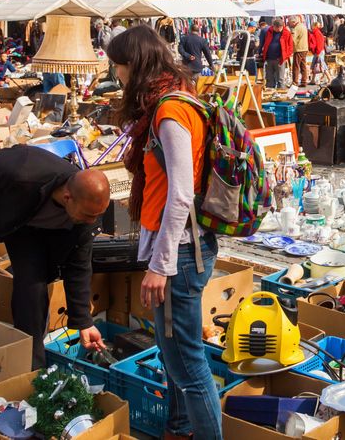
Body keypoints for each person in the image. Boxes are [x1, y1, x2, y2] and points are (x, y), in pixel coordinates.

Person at [107, 25, 223, 438]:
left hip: (182, 253)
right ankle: (178, 427)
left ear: (134, 64)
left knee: (188, 365)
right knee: (175, 355)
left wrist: (161, 264)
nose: (116, 74)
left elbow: (180, 195)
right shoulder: (171, 100)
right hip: (184, 248)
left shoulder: (170, 111)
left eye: (118, 65)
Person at [0, 146, 110, 369]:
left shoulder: (87, 215)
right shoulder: (23, 170)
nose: (92, 221)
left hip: (30, 231)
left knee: (33, 290)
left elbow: (79, 267)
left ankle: (31, 368)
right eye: (88, 215)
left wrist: (84, 322)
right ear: (67, 197)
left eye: (97, 215)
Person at [260, 18, 293, 89]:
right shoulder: (268, 31)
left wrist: (286, 56)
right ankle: (270, 92)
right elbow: (264, 42)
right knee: (269, 78)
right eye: (277, 27)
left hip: (280, 59)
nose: (279, 29)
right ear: (273, 26)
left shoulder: (286, 33)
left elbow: (290, 46)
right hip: (269, 58)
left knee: (280, 79)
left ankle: (281, 92)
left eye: (280, 27)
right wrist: (261, 53)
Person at [290, 17, 310, 86]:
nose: (289, 24)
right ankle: (304, 81)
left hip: (299, 49)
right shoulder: (303, 26)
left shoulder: (296, 28)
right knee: (303, 65)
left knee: (296, 66)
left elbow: (292, 39)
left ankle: (295, 82)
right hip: (304, 48)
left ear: (293, 22)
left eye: (290, 23)